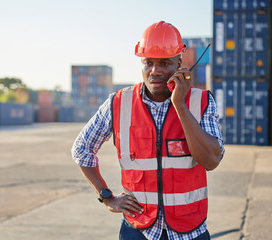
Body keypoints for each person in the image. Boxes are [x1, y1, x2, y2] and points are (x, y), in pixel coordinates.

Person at [71, 21, 224, 240]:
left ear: (179, 64)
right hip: (138, 230)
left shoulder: (201, 102)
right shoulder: (118, 103)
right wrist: (106, 196)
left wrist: (179, 104)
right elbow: (82, 149)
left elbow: (211, 160)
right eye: (148, 62)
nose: (155, 71)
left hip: (190, 230)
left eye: (164, 63)